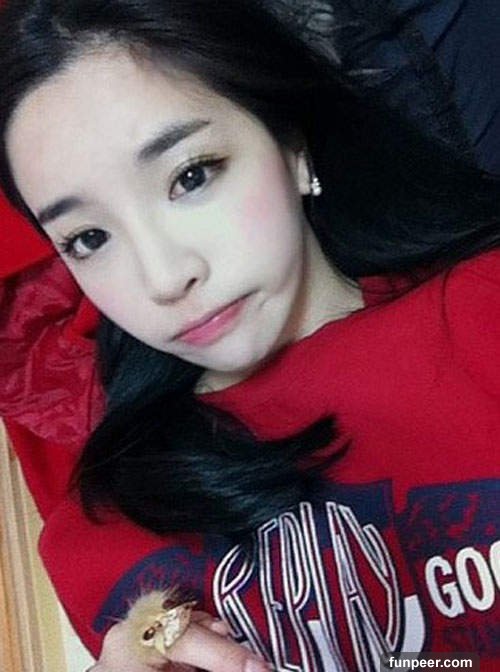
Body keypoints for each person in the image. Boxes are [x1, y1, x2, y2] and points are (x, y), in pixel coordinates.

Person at [0, 1, 499, 671]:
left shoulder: (484, 316)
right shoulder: (97, 540)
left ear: (291, 145)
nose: (164, 277)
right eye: (89, 238)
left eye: (191, 176)